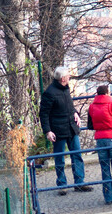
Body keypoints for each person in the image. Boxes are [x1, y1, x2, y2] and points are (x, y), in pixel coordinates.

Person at [39, 66, 93, 196]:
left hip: (71, 128)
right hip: (58, 131)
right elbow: (43, 114)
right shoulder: (50, 93)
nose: (69, 77)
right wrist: (48, 131)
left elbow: (69, 106)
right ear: (63, 78)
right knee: (60, 158)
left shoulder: (65, 89)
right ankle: (62, 185)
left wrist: (75, 113)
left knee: (77, 155)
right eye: (68, 76)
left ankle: (79, 182)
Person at [87, 84, 112, 204]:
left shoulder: (92, 107)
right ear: (107, 93)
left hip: (100, 140)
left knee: (105, 170)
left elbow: (90, 125)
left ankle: (108, 198)